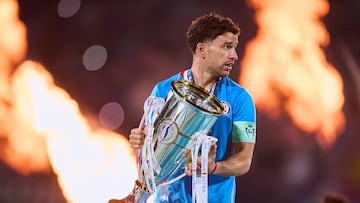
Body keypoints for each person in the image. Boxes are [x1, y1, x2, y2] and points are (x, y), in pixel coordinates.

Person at [129, 12, 256, 203]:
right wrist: (141, 140)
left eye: (234, 48)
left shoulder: (240, 99)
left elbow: (244, 160)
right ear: (202, 49)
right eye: (226, 47)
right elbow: (150, 149)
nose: (234, 56)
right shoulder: (164, 90)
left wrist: (211, 167)